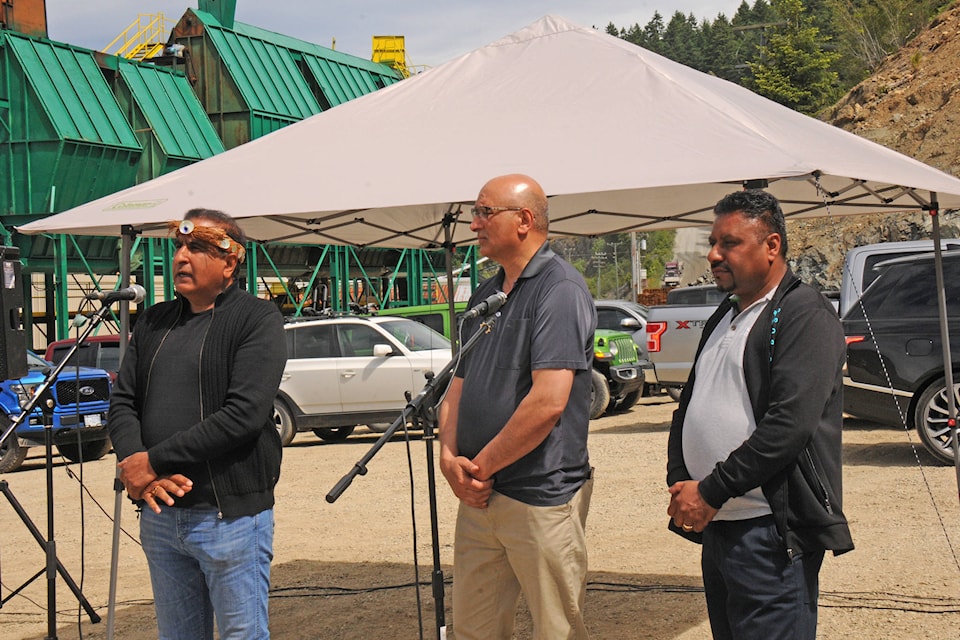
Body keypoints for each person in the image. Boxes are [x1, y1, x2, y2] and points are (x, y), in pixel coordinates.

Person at [666, 189, 854, 640]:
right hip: (720, 527)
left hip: (770, 534)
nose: (713, 254)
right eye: (714, 242)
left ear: (772, 246)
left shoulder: (803, 314)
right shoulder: (726, 314)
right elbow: (688, 406)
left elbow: (787, 428)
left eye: (729, 243)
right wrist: (680, 480)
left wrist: (709, 489)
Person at [108, 208, 286, 640]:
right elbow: (123, 402)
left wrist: (152, 461)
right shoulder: (153, 321)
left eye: (198, 248)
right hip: (161, 516)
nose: (182, 257)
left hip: (229, 519)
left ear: (230, 262)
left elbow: (242, 416)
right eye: (179, 247)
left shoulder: (256, 320)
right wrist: (136, 463)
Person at [438, 174, 597, 640]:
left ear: (524, 220)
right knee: (473, 628)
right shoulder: (487, 293)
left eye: (485, 212)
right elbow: (456, 387)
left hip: (539, 494)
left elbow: (548, 402)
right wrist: (449, 459)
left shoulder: (560, 289)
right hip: (480, 495)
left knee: (556, 630)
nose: (473, 224)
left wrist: (479, 467)